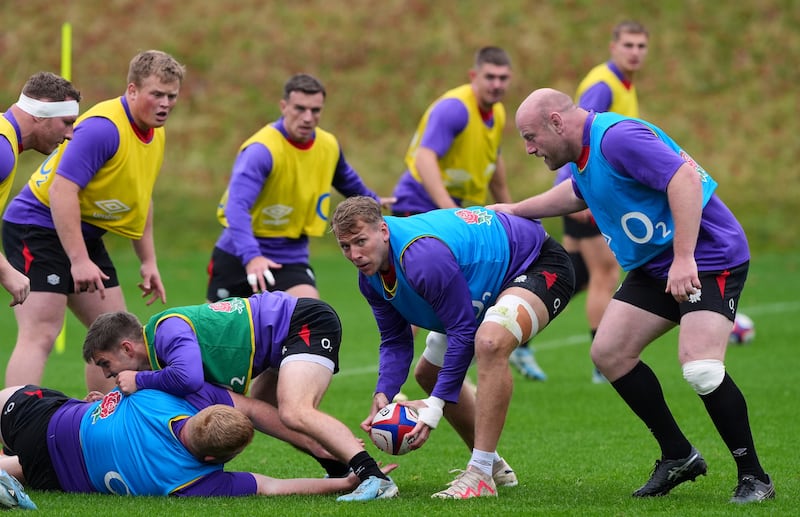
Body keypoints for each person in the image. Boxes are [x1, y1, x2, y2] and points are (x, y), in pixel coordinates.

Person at [498, 87, 774, 504]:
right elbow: (577, 192)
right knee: (609, 352)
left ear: (556, 122)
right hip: (655, 264)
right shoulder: (584, 154)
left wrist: (685, 257)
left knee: (700, 367)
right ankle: (678, 455)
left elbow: (683, 178)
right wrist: (516, 209)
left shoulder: (617, 137)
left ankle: (755, 478)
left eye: (530, 136)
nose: (528, 148)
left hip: (709, 256)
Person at [331, 196, 574, 499]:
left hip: (536, 261)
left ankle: (481, 474)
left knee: (489, 343)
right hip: (483, 279)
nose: (354, 254)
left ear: (383, 230)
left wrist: (434, 407)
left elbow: (463, 331)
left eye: (360, 242)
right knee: (429, 374)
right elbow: (396, 338)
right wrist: (384, 392)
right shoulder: (370, 278)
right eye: (345, 246)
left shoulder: (421, 258)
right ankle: (495, 466)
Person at [82, 291, 398, 502]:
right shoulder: (159, 356)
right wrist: (110, 402)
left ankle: (374, 476)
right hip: (280, 342)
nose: (109, 374)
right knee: (266, 417)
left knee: (294, 411)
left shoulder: (166, 330)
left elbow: (188, 377)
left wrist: (139, 378)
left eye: (106, 364)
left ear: (126, 348)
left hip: (301, 324)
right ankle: (342, 471)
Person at [2, 50, 186, 393]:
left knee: (117, 335)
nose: (165, 104)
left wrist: (148, 261)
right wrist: (79, 260)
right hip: (36, 224)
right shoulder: (103, 129)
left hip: (82, 232)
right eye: (156, 94)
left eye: (171, 96)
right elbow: (61, 192)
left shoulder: (155, 133)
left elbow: (141, 196)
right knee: (41, 332)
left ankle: (97, 424)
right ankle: (11, 436)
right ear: (132, 90)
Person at [390, 46, 546, 382]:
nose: (497, 84)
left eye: (503, 78)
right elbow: (425, 159)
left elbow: (494, 163)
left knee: (461, 290)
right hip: (423, 206)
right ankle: (397, 386)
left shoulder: (499, 112)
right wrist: (450, 212)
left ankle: (452, 366)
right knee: (416, 296)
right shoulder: (454, 109)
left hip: (461, 213)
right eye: (490, 76)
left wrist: (513, 210)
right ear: (474, 76)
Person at [0, 382, 395, 498]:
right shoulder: (191, 482)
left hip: (43, 417)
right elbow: (275, 486)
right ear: (214, 458)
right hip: (51, 471)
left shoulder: (160, 397)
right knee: (21, 468)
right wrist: (345, 481)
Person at [207, 73, 392, 303]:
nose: (307, 117)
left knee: (310, 318)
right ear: (284, 106)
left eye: (315, 110)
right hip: (240, 254)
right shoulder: (262, 150)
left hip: (290, 256)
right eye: (299, 108)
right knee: (217, 336)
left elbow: (346, 180)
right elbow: (236, 207)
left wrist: (373, 201)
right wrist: (252, 257)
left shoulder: (328, 145)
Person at [556, 20, 649, 383]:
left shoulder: (624, 84)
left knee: (572, 275)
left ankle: (510, 329)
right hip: (586, 193)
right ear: (613, 47)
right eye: (628, 45)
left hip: (586, 191)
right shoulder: (602, 84)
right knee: (605, 273)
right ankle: (601, 362)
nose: (635, 52)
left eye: (641, 46)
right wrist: (578, 195)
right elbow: (572, 135)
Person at [0, 71, 81, 307]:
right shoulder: (2, 151)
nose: (70, 135)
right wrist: (6, 271)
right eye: (66, 123)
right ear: (40, 112)